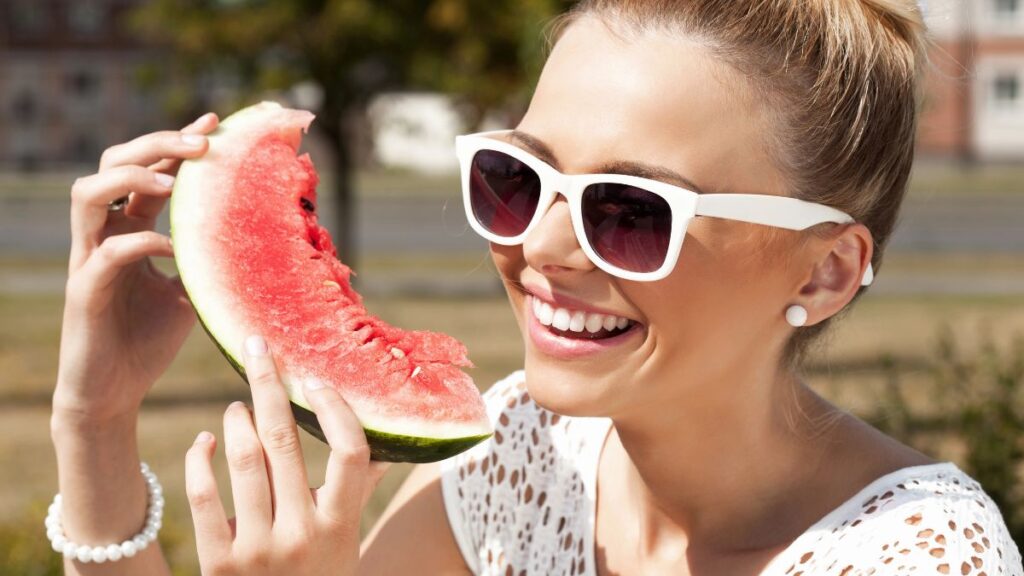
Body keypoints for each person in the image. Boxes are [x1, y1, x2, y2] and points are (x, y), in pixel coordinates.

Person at [49, 0, 1024, 575]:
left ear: (825, 269)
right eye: (517, 179)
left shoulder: (914, 556)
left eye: (630, 209)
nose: (545, 246)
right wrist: (96, 423)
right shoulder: (526, 455)